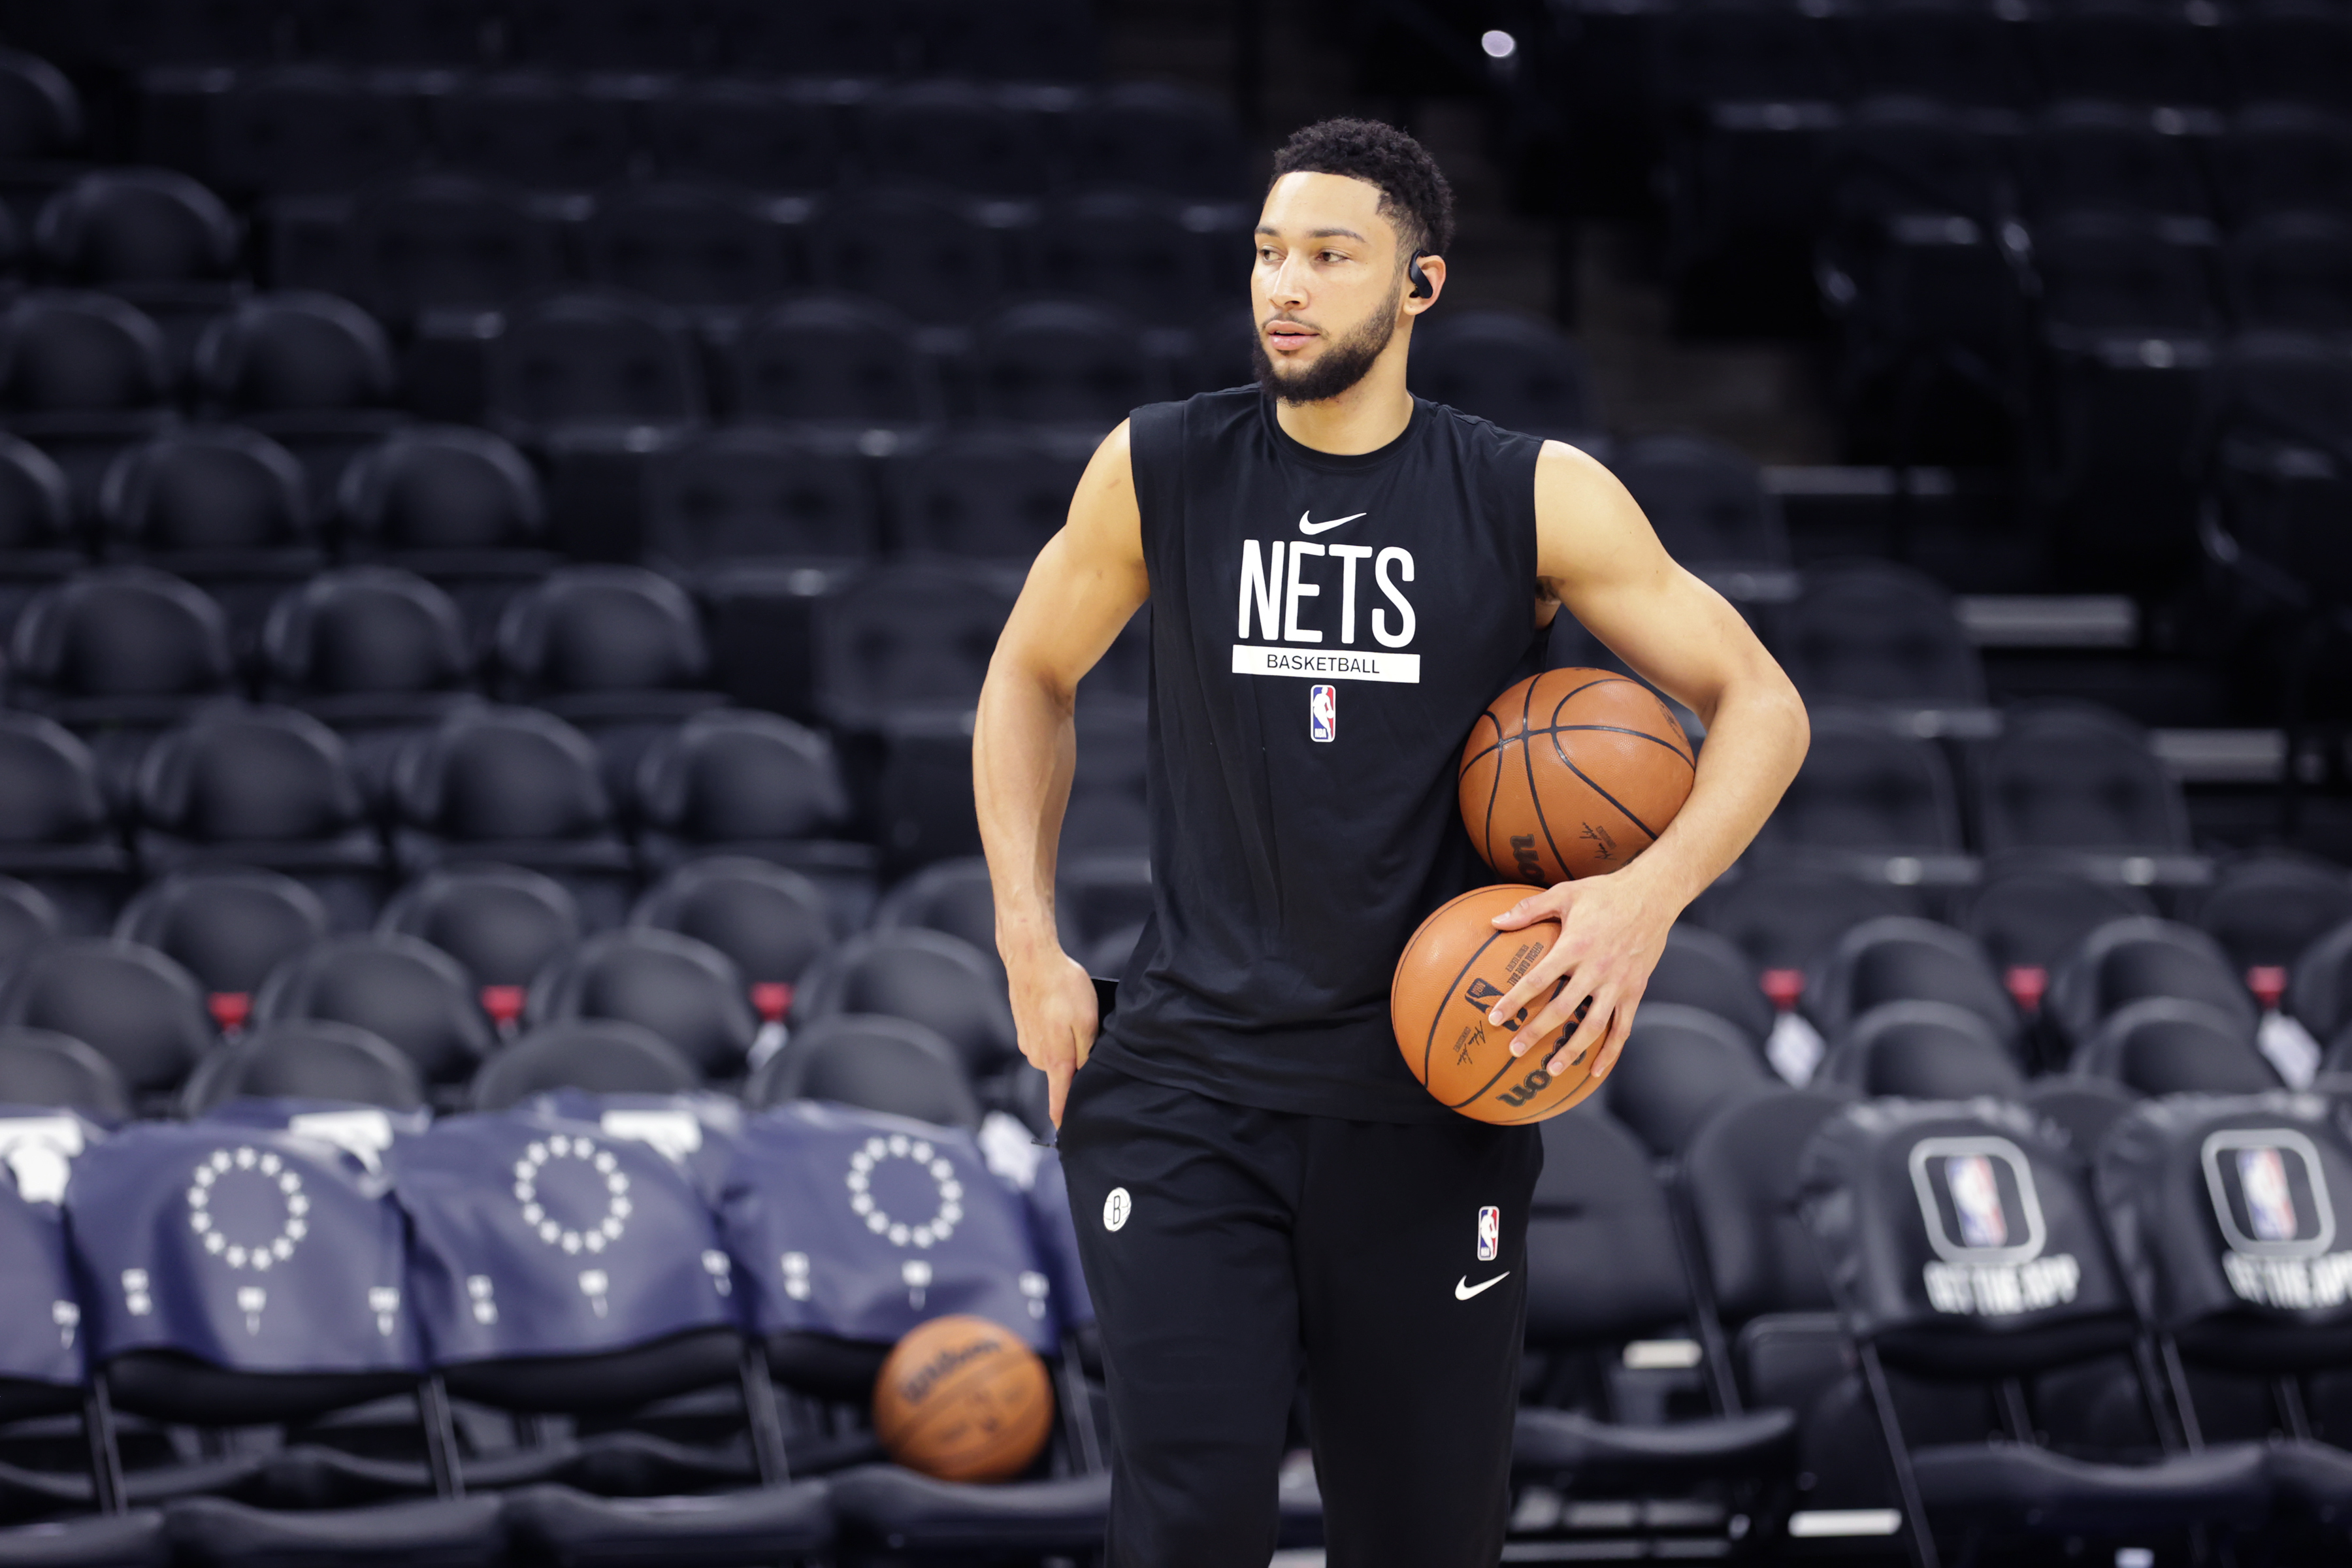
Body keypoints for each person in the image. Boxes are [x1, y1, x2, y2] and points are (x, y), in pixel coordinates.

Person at [973, 118, 1808, 1566]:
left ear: (1418, 286)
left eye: (1329, 256)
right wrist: (1028, 942)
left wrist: (1643, 900)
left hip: (1436, 1096)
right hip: (1186, 1095)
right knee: (1188, 1522)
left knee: (1426, 1538)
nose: (1283, 286)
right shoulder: (1160, 466)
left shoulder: (1528, 493)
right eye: (1268, 253)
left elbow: (1763, 704)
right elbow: (1029, 675)